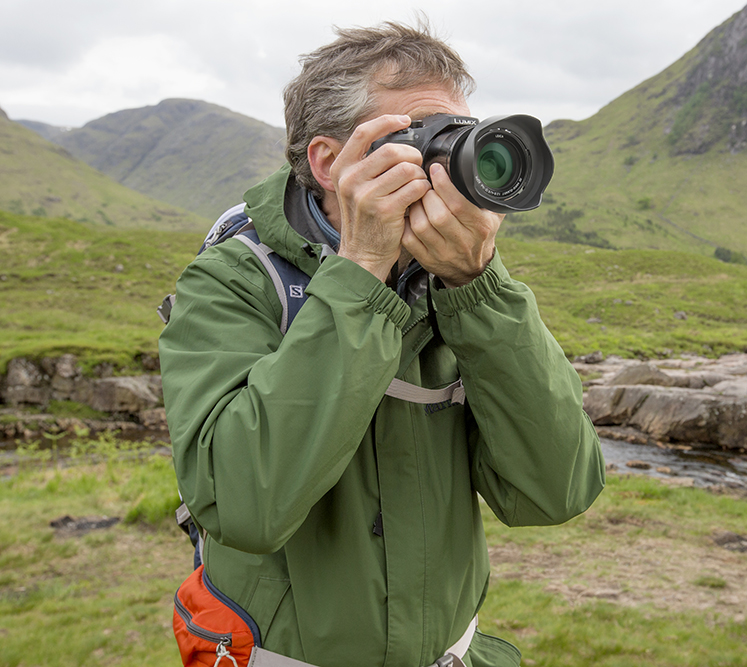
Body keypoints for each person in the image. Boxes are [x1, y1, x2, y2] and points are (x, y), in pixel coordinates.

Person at [159, 19, 605, 667]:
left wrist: (478, 287)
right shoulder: (233, 279)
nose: (450, 166)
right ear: (328, 162)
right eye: (419, 139)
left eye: (459, 136)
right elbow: (244, 505)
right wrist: (361, 271)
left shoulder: (456, 285)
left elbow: (555, 490)